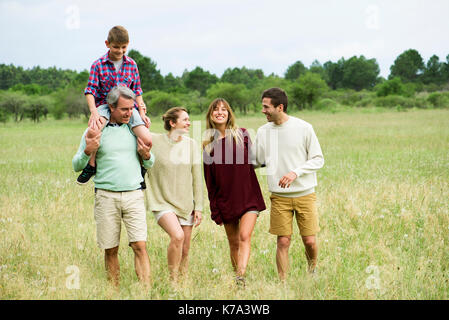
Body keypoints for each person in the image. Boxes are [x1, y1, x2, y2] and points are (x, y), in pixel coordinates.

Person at [72, 86, 154, 287]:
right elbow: (75, 164)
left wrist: (147, 156)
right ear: (111, 107)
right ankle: (114, 291)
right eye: (124, 109)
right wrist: (87, 151)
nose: (129, 113)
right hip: (106, 196)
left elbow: (151, 162)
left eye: (131, 108)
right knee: (110, 249)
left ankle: (145, 291)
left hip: (134, 195)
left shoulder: (135, 129)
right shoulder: (96, 129)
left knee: (140, 246)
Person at [252, 87, 324, 280]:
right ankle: (283, 283)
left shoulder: (304, 128)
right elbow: (256, 161)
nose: (263, 111)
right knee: (283, 241)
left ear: (280, 107)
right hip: (279, 197)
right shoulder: (263, 131)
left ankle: (312, 270)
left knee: (309, 240)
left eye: (266, 107)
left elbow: (318, 159)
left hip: (305, 194)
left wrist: (295, 173)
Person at [77, 25, 152, 185]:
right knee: (95, 130)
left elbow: (137, 89)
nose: (120, 51)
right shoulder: (98, 65)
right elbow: (90, 90)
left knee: (147, 138)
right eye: (116, 47)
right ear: (107, 44)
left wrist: (142, 111)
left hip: (129, 107)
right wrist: (94, 112)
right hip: (105, 106)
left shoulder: (132, 64)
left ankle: (140, 169)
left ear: (128, 44)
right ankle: (91, 165)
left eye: (124, 47)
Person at [203, 98, 266, 286]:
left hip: (248, 197)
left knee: (245, 236)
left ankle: (240, 277)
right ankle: (238, 276)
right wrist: (215, 208)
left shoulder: (242, 135)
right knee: (234, 243)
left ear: (229, 113)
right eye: (216, 110)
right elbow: (210, 183)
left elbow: (256, 161)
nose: (220, 112)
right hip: (226, 201)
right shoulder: (208, 147)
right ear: (211, 115)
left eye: (224, 109)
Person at [144, 107, 203, 283]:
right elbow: (137, 133)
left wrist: (198, 207)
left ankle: (183, 281)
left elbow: (197, 178)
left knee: (185, 248)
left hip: (185, 204)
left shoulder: (191, 144)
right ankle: (173, 280)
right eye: (185, 119)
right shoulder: (154, 140)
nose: (189, 123)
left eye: (189, 119)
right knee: (177, 236)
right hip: (161, 201)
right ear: (172, 123)